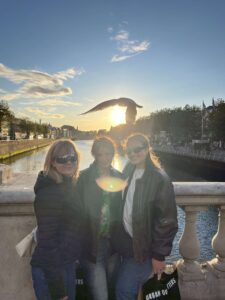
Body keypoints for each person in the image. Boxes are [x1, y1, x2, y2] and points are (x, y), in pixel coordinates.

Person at [112, 133, 178, 300]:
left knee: (123, 290)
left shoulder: (158, 178)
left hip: (144, 250)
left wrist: (158, 255)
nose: (133, 154)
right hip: (128, 245)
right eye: (129, 151)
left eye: (137, 149)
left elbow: (167, 221)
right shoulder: (129, 169)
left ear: (147, 149)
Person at [30, 139, 83, 300]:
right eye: (62, 158)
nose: (68, 162)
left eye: (72, 158)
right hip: (53, 271)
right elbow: (48, 244)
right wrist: (59, 291)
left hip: (64, 263)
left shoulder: (66, 184)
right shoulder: (50, 193)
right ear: (52, 162)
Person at [76, 136, 122, 300]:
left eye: (108, 154)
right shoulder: (82, 178)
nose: (104, 158)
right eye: (100, 154)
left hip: (114, 247)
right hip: (91, 246)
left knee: (112, 291)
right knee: (100, 295)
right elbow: (75, 214)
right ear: (94, 154)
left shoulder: (119, 177)